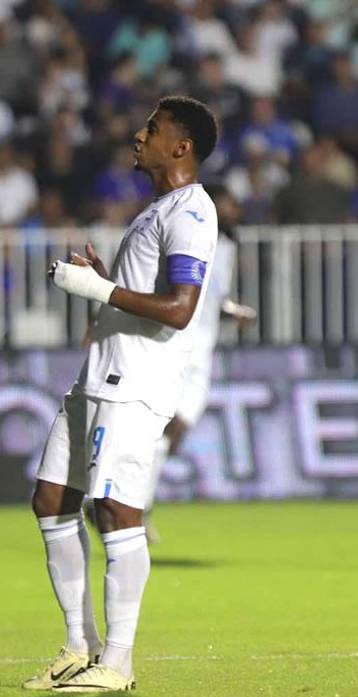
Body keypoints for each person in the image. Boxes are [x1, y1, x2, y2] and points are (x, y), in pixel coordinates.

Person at [26, 96, 218, 693]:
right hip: (99, 374)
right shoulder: (157, 209)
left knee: (114, 509)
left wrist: (97, 290)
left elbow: (180, 309)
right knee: (52, 500)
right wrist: (105, 281)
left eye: (152, 129)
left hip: (134, 384)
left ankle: (119, 661)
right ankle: (78, 647)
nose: (139, 135)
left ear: (180, 147)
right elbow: (142, 295)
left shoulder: (191, 211)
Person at [142, 186, 256, 539]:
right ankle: (129, 505)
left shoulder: (228, 247)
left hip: (202, 349)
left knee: (175, 429)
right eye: (229, 203)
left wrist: (233, 312)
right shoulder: (190, 240)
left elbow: (212, 300)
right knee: (166, 425)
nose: (234, 209)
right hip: (177, 343)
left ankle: (124, 500)